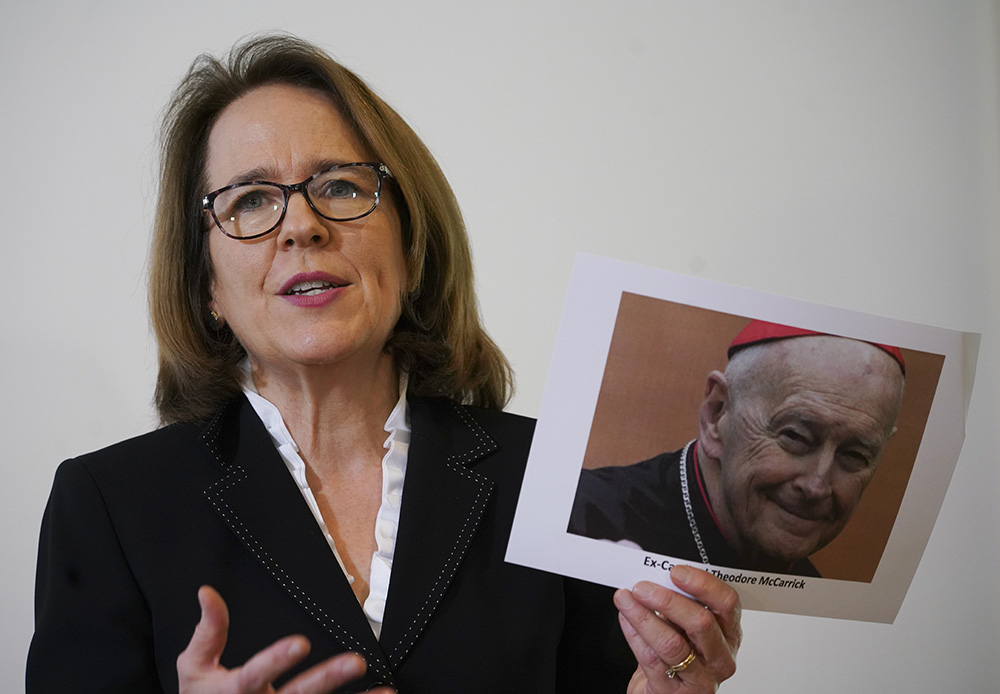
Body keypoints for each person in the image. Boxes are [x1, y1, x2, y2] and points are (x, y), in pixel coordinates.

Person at [26, 34, 741, 693]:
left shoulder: (556, 479)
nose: (303, 225)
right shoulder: (109, 507)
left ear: (410, 241)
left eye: (339, 185)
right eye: (249, 200)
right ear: (207, 285)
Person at [569, 321, 906, 577]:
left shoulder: (808, 585)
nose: (817, 486)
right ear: (718, 413)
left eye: (855, 456)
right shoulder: (580, 521)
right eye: (796, 436)